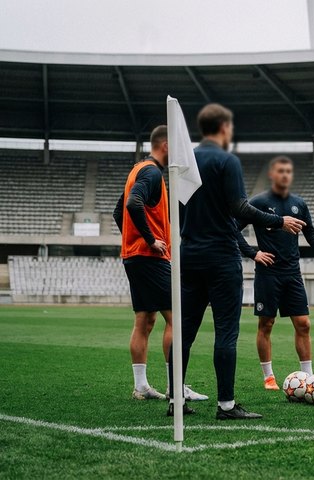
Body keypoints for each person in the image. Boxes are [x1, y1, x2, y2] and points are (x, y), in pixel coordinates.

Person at [168, 103, 306, 420]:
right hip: (220, 255)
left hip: (188, 253)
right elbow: (239, 207)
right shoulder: (226, 160)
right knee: (225, 333)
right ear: (225, 127)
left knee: (183, 332)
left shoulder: (183, 162)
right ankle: (227, 405)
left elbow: (178, 209)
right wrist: (277, 220)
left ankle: (176, 401)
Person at [113, 125, 206, 403]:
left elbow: (119, 211)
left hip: (135, 256)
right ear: (165, 145)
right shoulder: (152, 172)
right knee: (176, 318)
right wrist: (150, 240)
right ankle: (174, 387)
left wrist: (132, 241)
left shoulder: (137, 169)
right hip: (150, 258)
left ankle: (141, 386)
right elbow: (132, 204)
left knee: (145, 318)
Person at [238, 155, 314, 391]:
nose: (285, 174)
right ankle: (269, 377)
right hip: (268, 273)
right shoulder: (258, 202)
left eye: (288, 171)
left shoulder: (299, 204)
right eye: (280, 171)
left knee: (303, 323)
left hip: (293, 273)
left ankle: (308, 377)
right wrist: (253, 253)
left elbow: (311, 235)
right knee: (267, 323)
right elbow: (232, 229)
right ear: (272, 175)